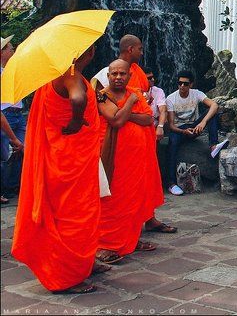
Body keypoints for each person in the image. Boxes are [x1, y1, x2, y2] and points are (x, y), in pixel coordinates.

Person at [12, 46, 112, 294]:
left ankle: (84, 261)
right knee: (73, 214)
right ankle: (65, 276)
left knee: (82, 210)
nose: (93, 53)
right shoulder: (71, 76)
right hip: (70, 160)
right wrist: (77, 120)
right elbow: (78, 98)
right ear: (82, 54)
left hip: (69, 156)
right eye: (90, 50)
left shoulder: (54, 77)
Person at [95, 35, 173, 234]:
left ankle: (148, 218)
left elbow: (147, 115)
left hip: (142, 142)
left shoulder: (137, 72)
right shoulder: (104, 75)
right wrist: (128, 107)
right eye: (139, 48)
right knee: (119, 191)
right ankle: (121, 231)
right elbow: (114, 116)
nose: (142, 52)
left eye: (123, 74)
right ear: (130, 49)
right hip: (117, 145)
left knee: (144, 183)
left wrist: (129, 111)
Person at [95, 60, 158, 263]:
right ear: (108, 75)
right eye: (114, 74)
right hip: (112, 158)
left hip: (135, 159)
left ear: (129, 76)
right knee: (111, 201)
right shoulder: (102, 94)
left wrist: (125, 112)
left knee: (133, 200)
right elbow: (115, 121)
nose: (118, 77)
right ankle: (104, 245)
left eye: (122, 74)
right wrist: (130, 104)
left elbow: (148, 119)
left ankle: (130, 239)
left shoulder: (135, 92)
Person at [166, 71, 220, 196]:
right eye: (179, 83)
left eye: (185, 84)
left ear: (191, 84)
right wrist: (183, 131)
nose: (182, 86)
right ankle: (171, 183)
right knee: (172, 142)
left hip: (195, 127)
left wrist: (202, 123)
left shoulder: (196, 93)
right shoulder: (171, 98)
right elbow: (172, 126)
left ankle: (213, 146)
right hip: (180, 130)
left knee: (213, 114)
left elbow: (214, 105)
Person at [1, 35, 25, 205]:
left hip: (17, 113)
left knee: (21, 149)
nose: (13, 50)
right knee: (3, 155)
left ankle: (13, 186)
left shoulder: (9, 69)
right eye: (9, 48)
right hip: (5, 114)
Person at [144, 68, 167, 136]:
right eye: (149, 78)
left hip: (155, 126)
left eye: (153, 77)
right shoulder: (134, 92)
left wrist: (160, 127)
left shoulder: (158, 91)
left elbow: (163, 110)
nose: (153, 80)